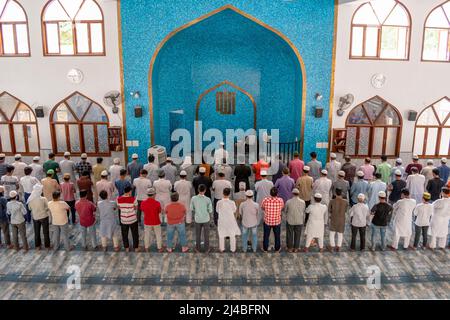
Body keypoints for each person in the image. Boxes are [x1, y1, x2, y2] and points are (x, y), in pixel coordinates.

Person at [217, 188, 241, 253]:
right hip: (230, 220)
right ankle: (233, 249)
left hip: (222, 220)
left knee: (221, 234)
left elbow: (217, 210)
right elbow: (234, 210)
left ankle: (222, 248)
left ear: (223, 193)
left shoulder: (219, 202)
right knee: (232, 234)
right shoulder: (232, 202)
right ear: (229, 194)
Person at [27, 184, 50, 250]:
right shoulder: (43, 199)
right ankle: (47, 246)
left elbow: (30, 208)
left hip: (35, 217)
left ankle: (37, 246)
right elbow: (47, 207)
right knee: (45, 232)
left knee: (36, 232)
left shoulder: (30, 199)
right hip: (44, 217)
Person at [190, 184, 213, 253]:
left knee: (198, 234)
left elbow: (191, 208)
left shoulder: (193, 198)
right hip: (206, 219)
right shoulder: (208, 199)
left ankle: (198, 248)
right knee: (206, 235)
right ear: (205, 190)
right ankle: (206, 249)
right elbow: (210, 210)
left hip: (197, 219)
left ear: (198, 190)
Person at [117, 185, 140, 252]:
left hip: (123, 220)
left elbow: (119, 208)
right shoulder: (133, 199)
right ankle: (136, 247)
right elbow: (136, 208)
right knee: (135, 234)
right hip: (132, 219)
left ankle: (126, 247)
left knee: (124, 234)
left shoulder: (118, 199)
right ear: (129, 191)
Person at [140, 187, 163, 252]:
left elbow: (142, 210)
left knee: (147, 235)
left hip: (147, 221)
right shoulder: (157, 203)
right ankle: (159, 248)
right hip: (156, 221)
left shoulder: (143, 203)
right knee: (158, 235)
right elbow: (159, 211)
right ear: (153, 195)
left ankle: (146, 247)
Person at [261, 187, 284, 252]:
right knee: (277, 236)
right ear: (277, 193)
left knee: (266, 235)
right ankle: (277, 248)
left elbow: (262, 207)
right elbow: (282, 207)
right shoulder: (280, 200)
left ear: (270, 193)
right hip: (277, 221)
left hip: (267, 221)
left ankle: (265, 248)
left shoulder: (265, 200)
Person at [285, 188, 305, 252]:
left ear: (292, 194)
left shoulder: (288, 201)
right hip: (299, 220)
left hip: (290, 220)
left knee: (289, 234)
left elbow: (285, 210)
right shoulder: (303, 202)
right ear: (298, 194)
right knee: (298, 234)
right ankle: (296, 248)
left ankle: (290, 248)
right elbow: (303, 210)